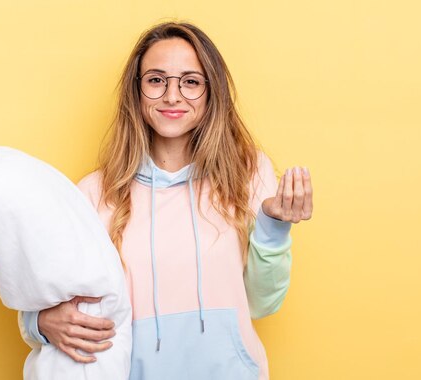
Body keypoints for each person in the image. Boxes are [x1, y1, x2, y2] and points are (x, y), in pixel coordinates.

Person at [19, 21, 313, 380]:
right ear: (137, 91)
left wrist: (274, 228)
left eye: (190, 82)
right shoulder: (95, 193)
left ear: (210, 92)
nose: (172, 96)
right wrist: (38, 323)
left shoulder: (248, 174)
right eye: (156, 80)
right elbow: (46, 296)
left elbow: (263, 303)